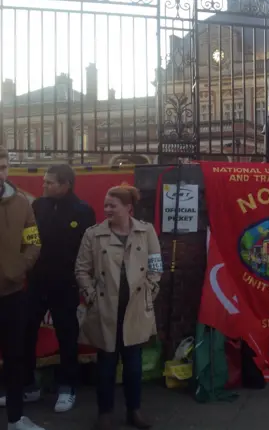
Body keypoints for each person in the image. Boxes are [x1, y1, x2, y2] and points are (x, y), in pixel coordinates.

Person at [5, 165, 96, 413]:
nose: (43, 186)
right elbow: (29, 239)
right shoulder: (38, 207)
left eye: (50, 182)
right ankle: (27, 386)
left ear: (66, 184)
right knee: (26, 333)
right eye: (44, 182)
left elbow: (87, 251)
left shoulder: (84, 211)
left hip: (65, 284)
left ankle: (68, 386)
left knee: (67, 334)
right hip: (35, 283)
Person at [75, 185, 162, 430]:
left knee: (134, 365)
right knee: (106, 364)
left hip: (135, 307)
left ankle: (134, 411)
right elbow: (82, 268)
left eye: (113, 205)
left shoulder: (146, 232)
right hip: (105, 308)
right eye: (106, 205)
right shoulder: (93, 234)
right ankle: (105, 413)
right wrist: (91, 296)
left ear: (128, 208)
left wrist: (149, 294)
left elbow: (156, 266)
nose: (107, 210)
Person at [0, 146, 47, 430]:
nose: (1, 173)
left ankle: (16, 419)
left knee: (15, 357)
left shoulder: (21, 204)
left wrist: (18, 269)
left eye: (3, 166)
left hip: (13, 293)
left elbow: (33, 241)